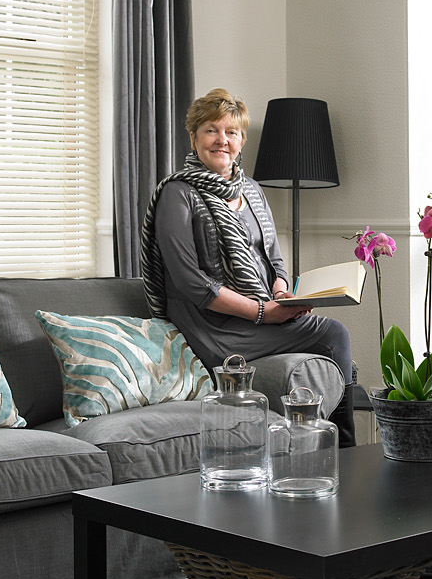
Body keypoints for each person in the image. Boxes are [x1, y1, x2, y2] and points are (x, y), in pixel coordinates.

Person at [141, 88, 357, 446]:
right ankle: (346, 447)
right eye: (211, 130)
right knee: (333, 335)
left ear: (242, 140)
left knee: (331, 337)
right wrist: (263, 313)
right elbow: (190, 282)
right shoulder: (177, 194)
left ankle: (313, 447)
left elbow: (274, 259)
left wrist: (281, 292)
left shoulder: (253, 190)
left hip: (261, 308)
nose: (221, 140)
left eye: (232, 132)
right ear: (193, 136)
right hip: (212, 325)